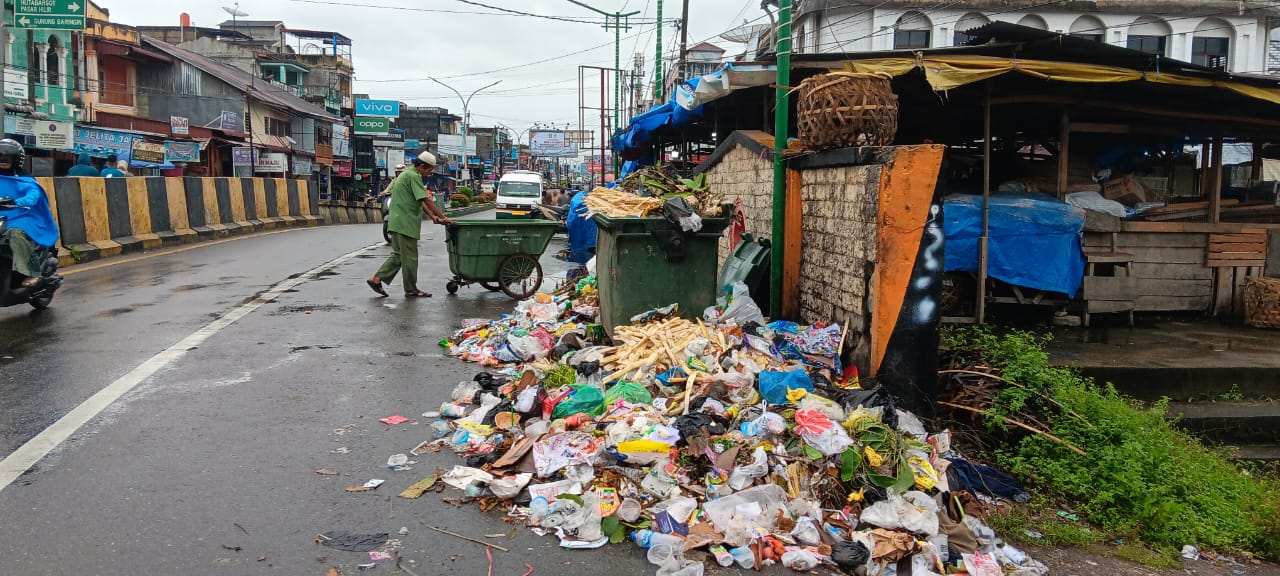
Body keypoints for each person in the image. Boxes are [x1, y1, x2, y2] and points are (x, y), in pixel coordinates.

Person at [367, 151, 452, 298]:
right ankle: (411, 289)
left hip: (397, 221)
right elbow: (427, 199)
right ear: (421, 166)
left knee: (398, 255)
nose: (429, 173)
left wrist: (432, 216)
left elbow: (419, 199)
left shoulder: (407, 174)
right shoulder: (413, 176)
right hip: (405, 223)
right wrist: (443, 217)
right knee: (410, 258)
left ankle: (376, 279)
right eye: (428, 170)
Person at [0, 139, 58, 287]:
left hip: (21, 216)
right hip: (2, 217)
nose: (3, 161)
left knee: (16, 234)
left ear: (16, 160)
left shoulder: (24, 178)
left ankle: (32, 272)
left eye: (7, 158)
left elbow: (33, 193)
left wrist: (20, 202)